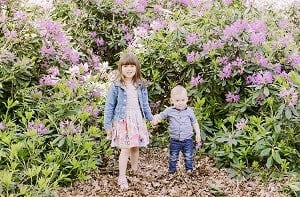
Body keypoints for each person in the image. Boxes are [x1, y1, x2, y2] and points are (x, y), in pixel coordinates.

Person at [104, 52, 154, 189]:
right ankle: (122, 176)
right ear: (121, 68)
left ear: (136, 68)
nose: (129, 69)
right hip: (122, 120)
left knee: (135, 147)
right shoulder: (116, 86)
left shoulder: (141, 85)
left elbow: (145, 104)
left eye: (132, 66)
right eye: (126, 66)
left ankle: (134, 170)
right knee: (125, 149)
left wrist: (151, 118)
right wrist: (107, 125)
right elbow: (109, 106)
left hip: (137, 119)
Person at [152, 85, 202, 174]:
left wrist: (198, 133)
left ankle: (189, 169)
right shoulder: (169, 111)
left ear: (187, 99)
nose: (180, 103)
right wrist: (155, 120)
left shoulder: (189, 111)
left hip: (187, 139)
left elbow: (194, 122)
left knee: (188, 155)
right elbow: (160, 116)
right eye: (177, 100)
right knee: (173, 156)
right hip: (174, 140)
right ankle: (172, 171)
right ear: (172, 101)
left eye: (183, 100)